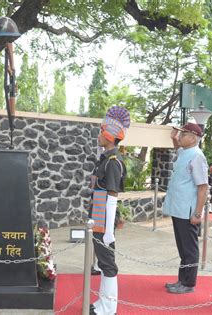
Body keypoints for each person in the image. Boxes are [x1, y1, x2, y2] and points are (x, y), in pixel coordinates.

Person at [89, 106, 130, 315]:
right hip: (98, 215)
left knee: (107, 263)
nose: (98, 135)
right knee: (102, 261)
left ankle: (109, 307)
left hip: (104, 218)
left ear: (110, 136)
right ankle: (102, 303)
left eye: (101, 131)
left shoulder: (113, 163)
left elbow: (112, 195)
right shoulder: (105, 158)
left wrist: (108, 231)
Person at [162, 122, 209, 294]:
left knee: (189, 248)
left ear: (193, 138)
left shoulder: (196, 156)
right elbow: (178, 147)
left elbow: (203, 186)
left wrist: (198, 213)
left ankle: (188, 283)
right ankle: (182, 279)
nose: (180, 137)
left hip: (188, 210)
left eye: (183, 134)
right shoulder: (185, 151)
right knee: (183, 247)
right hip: (178, 207)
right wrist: (174, 137)